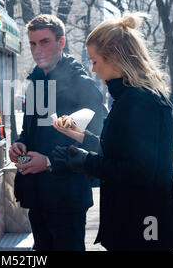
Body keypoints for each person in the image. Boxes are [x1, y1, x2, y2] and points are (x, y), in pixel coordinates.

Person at [51, 12, 173, 251]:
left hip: (145, 220)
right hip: (139, 216)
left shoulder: (138, 101)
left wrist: (84, 162)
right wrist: (80, 137)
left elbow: (139, 171)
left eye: (95, 61)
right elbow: (124, 151)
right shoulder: (133, 97)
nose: (92, 69)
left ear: (113, 57)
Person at [9, 14, 108, 251]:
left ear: (61, 43)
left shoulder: (81, 84)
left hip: (67, 196)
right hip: (37, 193)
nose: (37, 49)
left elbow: (98, 144)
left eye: (44, 42)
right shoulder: (34, 82)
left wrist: (50, 162)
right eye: (32, 43)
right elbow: (29, 131)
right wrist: (20, 145)